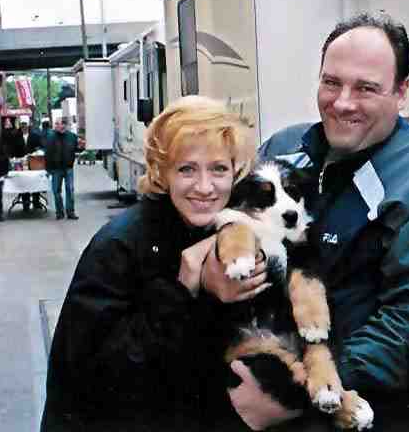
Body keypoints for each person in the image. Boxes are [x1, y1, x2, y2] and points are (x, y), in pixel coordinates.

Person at [232, 12, 409, 431]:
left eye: (366, 88)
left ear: (401, 91)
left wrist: (298, 388)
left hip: (373, 412)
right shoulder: (283, 148)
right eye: (331, 83)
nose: (343, 102)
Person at [40, 96, 268, 432]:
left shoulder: (228, 233)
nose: (205, 187)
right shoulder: (118, 246)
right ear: (162, 172)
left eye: (219, 169)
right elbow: (95, 376)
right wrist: (182, 291)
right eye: (187, 169)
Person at [45, 118, 81, 220]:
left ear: (64, 125)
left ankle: (70, 212)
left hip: (68, 168)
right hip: (56, 169)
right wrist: (48, 169)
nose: (56, 126)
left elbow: (76, 149)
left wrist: (81, 146)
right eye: (55, 124)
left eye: (58, 124)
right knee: (56, 191)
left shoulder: (72, 136)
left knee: (70, 190)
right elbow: (48, 153)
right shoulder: (51, 137)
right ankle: (59, 212)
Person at [16, 116, 44, 210]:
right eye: (22, 124)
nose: (23, 126)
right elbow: (12, 148)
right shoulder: (15, 135)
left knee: (35, 181)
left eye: (25, 124)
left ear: (28, 125)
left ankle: (36, 201)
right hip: (21, 162)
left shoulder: (35, 135)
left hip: (34, 162)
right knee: (24, 182)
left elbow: (41, 146)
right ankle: (26, 202)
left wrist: (37, 152)